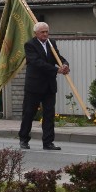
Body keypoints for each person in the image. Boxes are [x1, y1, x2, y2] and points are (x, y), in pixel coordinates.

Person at [18, 22, 69, 151]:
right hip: (34, 85)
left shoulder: (51, 43)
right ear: (36, 33)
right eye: (42, 32)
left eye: (47, 31)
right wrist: (55, 70)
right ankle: (24, 139)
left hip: (49, 85)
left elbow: (58, 57)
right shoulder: (30, 45)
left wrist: (64, 64)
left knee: (49, 114)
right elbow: (36, 62)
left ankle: (48, 142)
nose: (45, 34)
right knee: (29, 113)